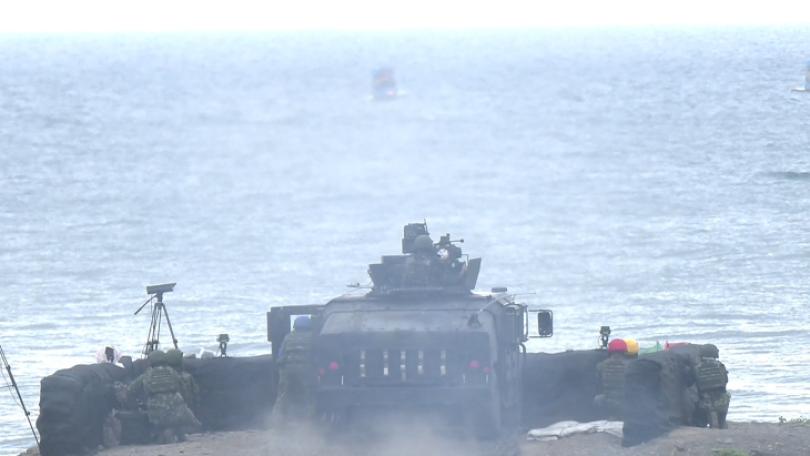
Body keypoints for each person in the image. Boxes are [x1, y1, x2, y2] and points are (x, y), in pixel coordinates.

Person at [129, 350, 201, 443]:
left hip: (156, 410)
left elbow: (131, 389)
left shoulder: (147, 374)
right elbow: (182, 387)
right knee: (180, 423)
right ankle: (177, 434)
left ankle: (166, 433)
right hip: (177, 408)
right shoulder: (172, 372)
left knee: (162, 427)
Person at [272, 315, 316, 425]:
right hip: (305, 370)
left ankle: (277, 421)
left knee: (283, 395)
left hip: (287, 371)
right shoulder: (313, 338)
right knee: (308, 395)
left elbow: (280, 356)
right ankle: (309, 421)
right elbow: (317, 356)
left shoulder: (288, 337)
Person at [693, 344, 730, 428]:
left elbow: (692, 383)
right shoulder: (720, 366)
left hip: (705, 401)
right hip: (722, 401)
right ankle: (722, 423)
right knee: (726, 398)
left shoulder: (697, 368)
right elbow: (725, 381)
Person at [594, 338, 630, 418]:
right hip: (625, 401)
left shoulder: (600, 366)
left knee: (597, 398)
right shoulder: (630, 365)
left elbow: (598, 384)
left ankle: (604, 418)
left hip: (607, 400)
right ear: (625, 351)